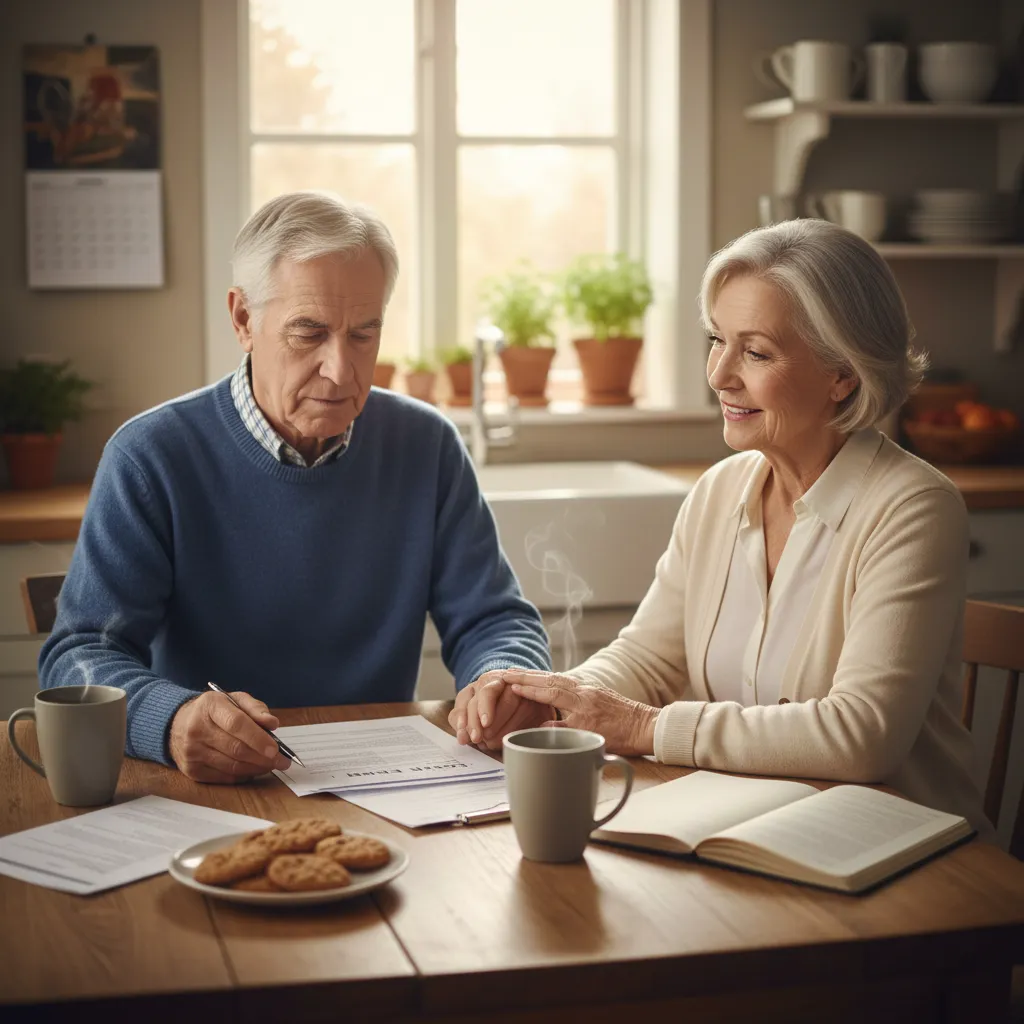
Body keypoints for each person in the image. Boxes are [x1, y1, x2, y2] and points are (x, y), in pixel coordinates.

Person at [453, 218, 988, 831]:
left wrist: (644, 727)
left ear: (843, 374)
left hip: (902, 853)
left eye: (756, 352)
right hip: (758, 828)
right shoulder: (720, 492)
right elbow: (648, 661)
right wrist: (550, 698)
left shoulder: (913, 508)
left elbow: (862, 735)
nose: (719, 374)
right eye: (717, 339)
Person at [40, 190, 551, 783]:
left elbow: (494, 619)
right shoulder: (150, 455)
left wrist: (502, 677)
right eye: (309, 332)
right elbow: (77, 656)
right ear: (242, 320)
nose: (341, 369)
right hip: (210, 787)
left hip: (381, 785)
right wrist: (173, 718)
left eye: (364, 334)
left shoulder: (426, 445)